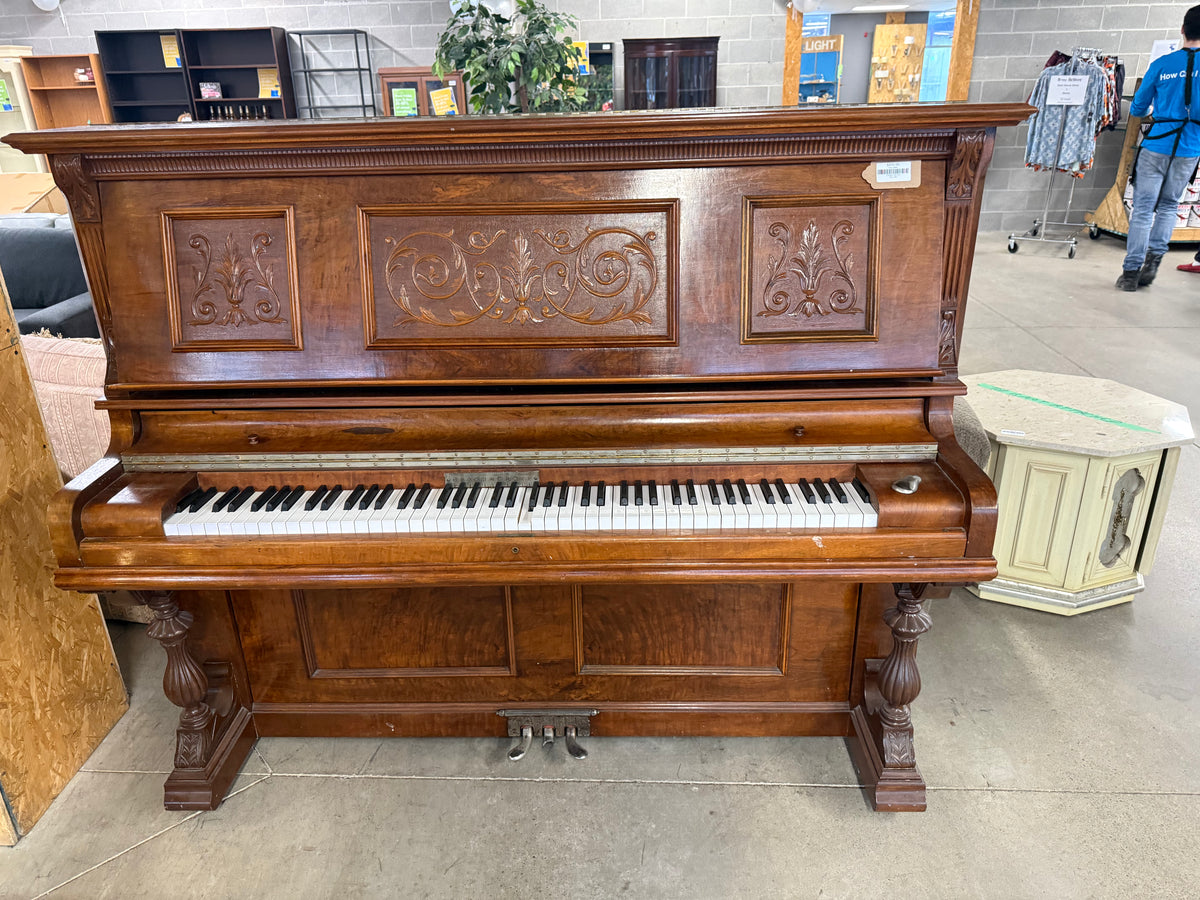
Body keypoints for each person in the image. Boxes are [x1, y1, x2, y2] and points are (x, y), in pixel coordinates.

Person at [1117, 6, 1200, 291]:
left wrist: (1155, 111)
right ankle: (1154, 260)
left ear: (1182, 29)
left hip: (1157, 143)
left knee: (1143, 208)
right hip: (1190, 146)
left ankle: (1130, 272)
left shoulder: (1162, 64)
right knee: (1169, 205)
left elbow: (1138, 107)